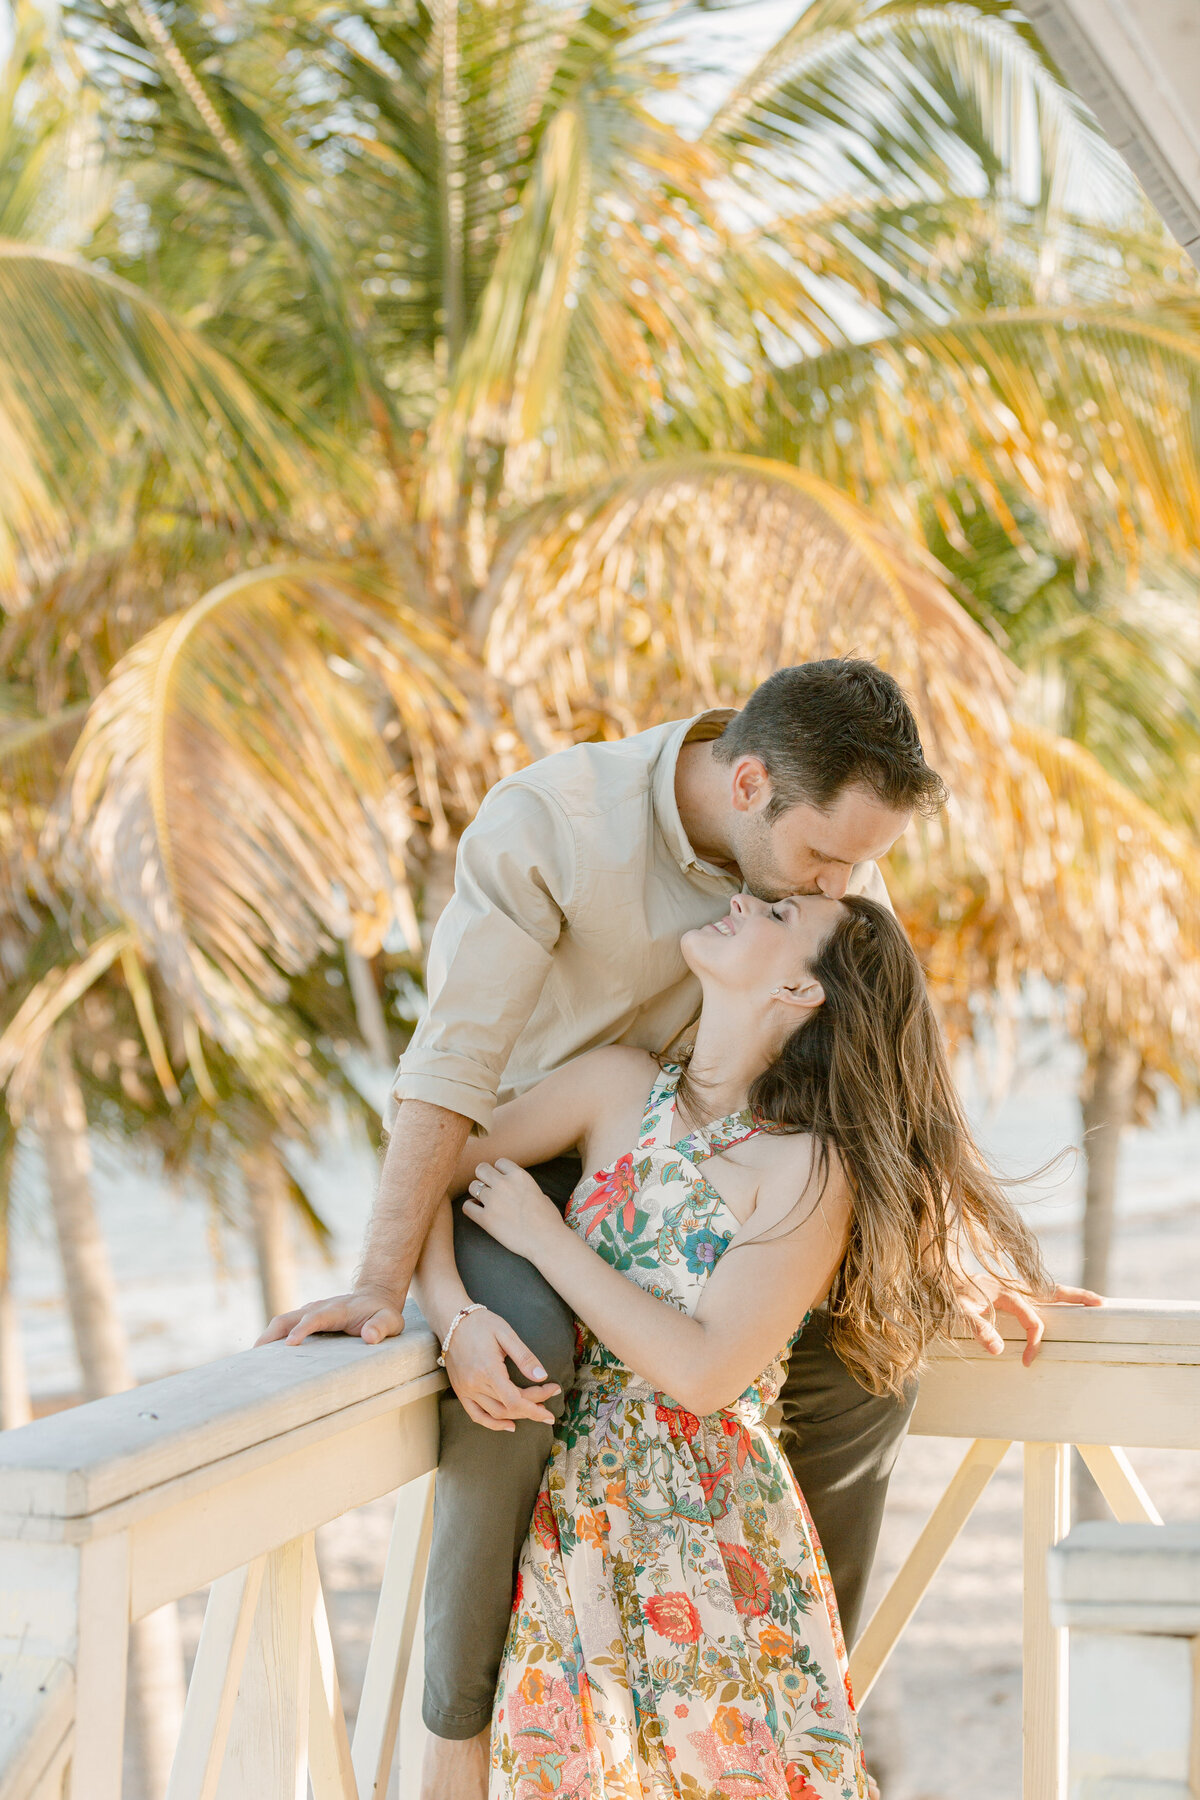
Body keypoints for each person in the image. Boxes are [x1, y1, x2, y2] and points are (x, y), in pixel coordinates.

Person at [259, 661, 1100, 1796]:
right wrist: (397, 1287)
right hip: (527, 1160)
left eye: (858, 866)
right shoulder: (555, 827)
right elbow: (450, 1075)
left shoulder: (816, 912)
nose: (846, 883)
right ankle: (453, 1737)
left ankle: (797, 1679)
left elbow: (889, 1062)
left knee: (873, 1369)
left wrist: (943, 1251)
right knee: (521, 1367)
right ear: (749, 783)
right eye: (823, 862)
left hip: (717, 1162)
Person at [415, 891, 1051, 1798]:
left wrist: (545, 1238)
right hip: (576, 1515)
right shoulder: (613, 1087)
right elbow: (425, 1172)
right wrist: (456, 1317)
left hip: (716, 1528)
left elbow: (707, 1372)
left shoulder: (810, 1166)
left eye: (781, 914)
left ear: (801, 988)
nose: (743, 899)